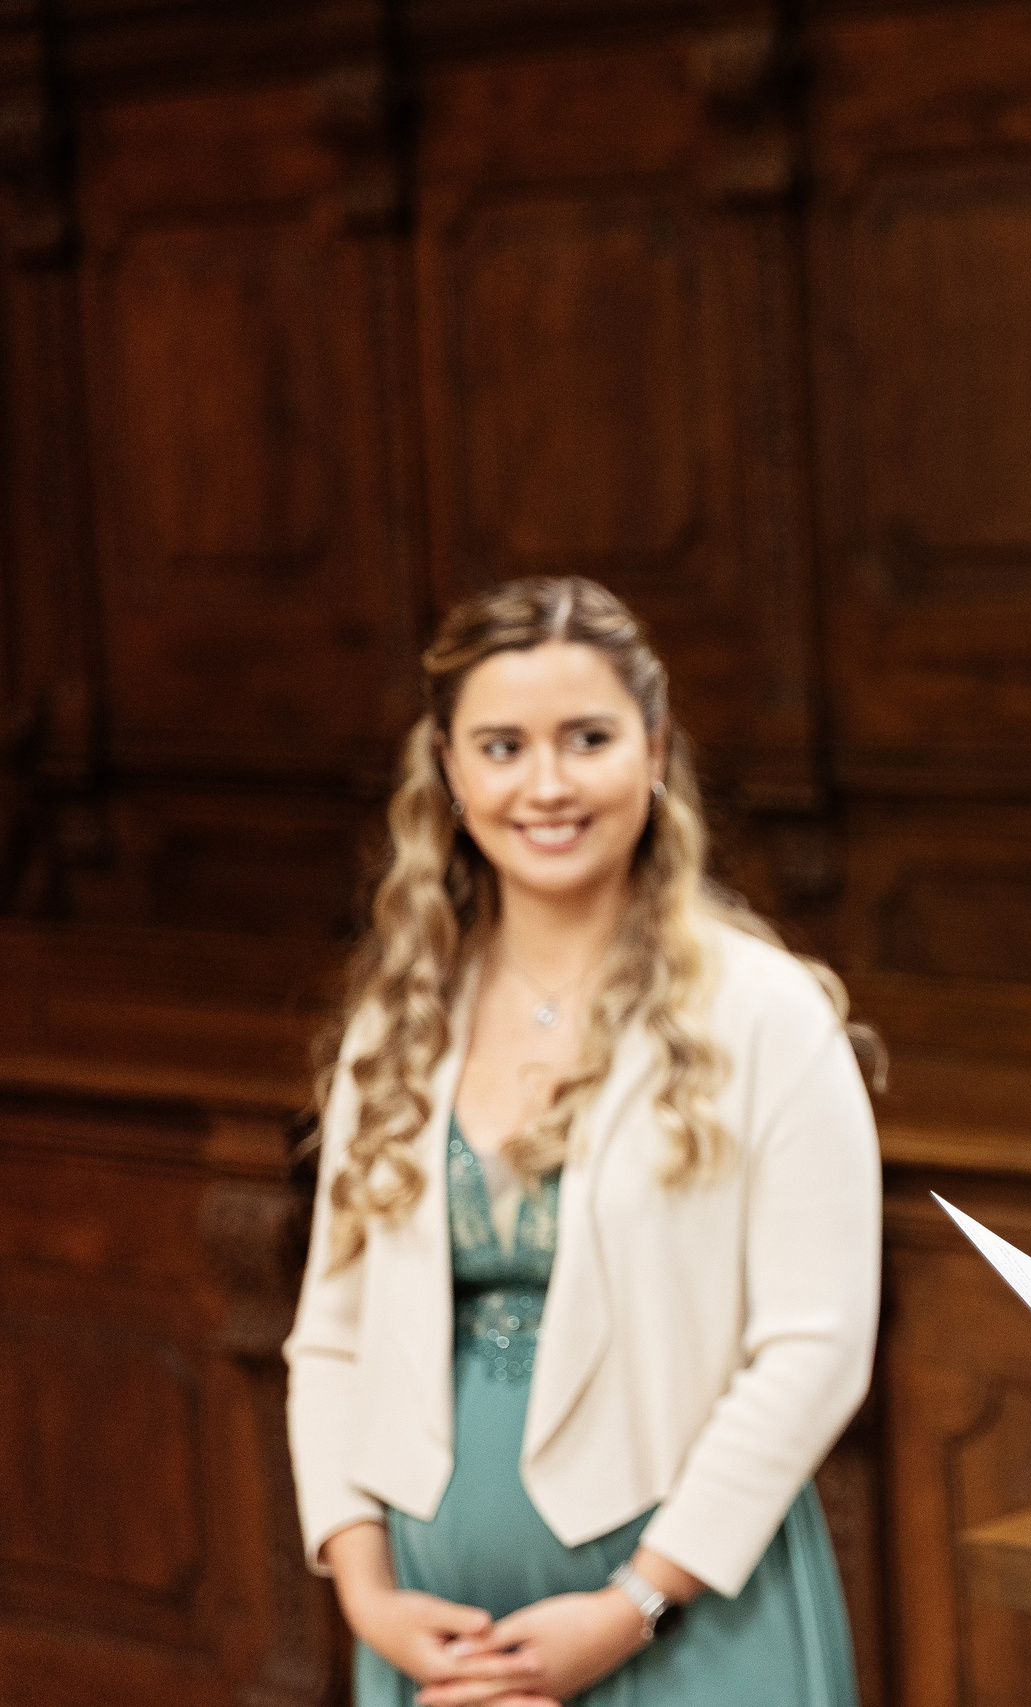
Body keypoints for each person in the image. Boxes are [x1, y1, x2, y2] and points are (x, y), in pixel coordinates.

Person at [284, 578, 882, 1707]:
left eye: (587, 739)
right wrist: (367, 1593)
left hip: (692, 1620)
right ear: (450, 774)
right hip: (432, 1639)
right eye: (502, 746)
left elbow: (817, 1348)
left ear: (652, 751)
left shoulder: (764, 1013)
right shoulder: (402, 1019)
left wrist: (634, 1604)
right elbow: (331, 1339)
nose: (546, 784)